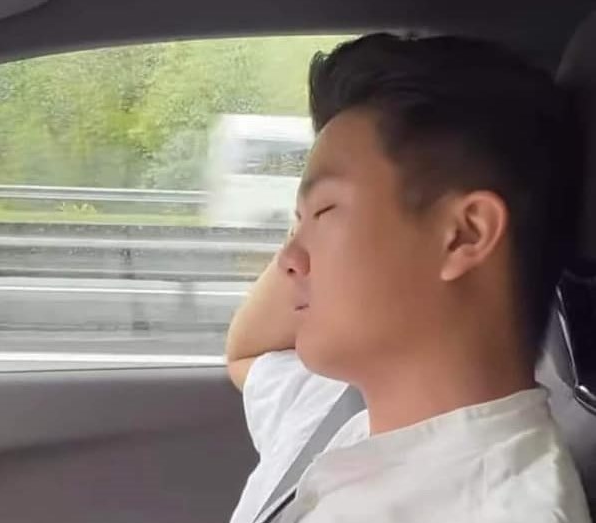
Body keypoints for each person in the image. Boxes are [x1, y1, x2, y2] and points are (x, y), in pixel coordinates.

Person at [226, 33, 592, 523]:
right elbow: (246, 353)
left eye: (326, 211)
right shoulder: (331, 410)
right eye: (296, 223)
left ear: (463, 234)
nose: (289, 258)